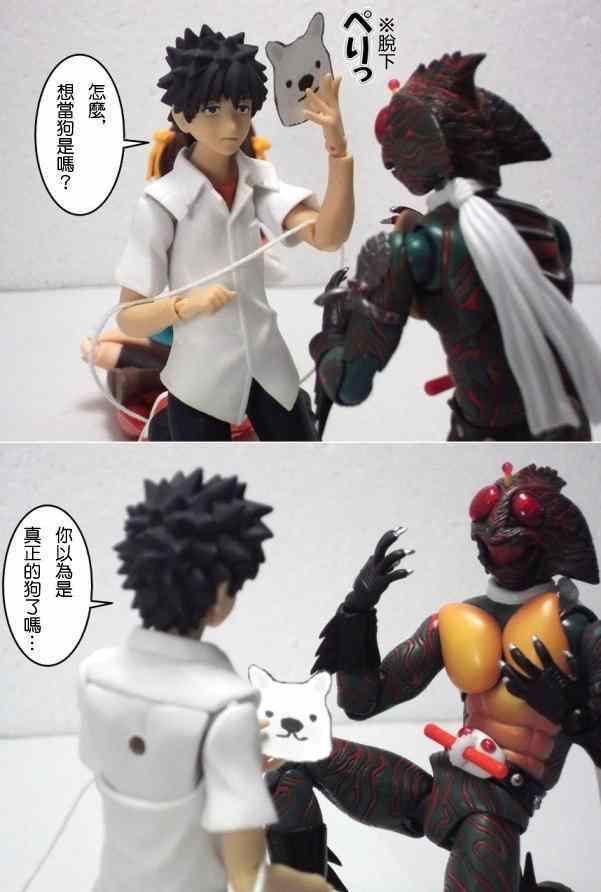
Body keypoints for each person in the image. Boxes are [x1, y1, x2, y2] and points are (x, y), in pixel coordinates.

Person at [268, 463, 601, 890]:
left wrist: (568, 712)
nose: (487, 554)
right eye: (481, 541)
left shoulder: (579, 634)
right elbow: (363, 701)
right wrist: (358, 611)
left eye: (502, 547)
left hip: (496, 810)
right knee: (293, 760)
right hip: (437, 789)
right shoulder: (460, 621)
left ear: (540, 547)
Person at [310, 52, 601, 441]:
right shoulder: (550, 230)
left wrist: (330, 333)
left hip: (486, 438)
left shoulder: (414, 248)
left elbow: (349, 386)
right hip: (569, 428)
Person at [78, 468, 334, 892]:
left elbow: (131, 764)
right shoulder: (226, 709)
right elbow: (247, 877)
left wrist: (233, 754)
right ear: (219, 594)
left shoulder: (93, 676)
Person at [115, 25, 354, 441]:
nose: (231, 123)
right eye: (212, 109)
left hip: (266, 362)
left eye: (242, 107)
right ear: (182, 117)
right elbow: (129, 317)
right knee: (201, 465)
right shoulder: (161, 204)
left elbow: (327, 236)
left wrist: (338, 149)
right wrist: (184, 306)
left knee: (301, 451)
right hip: (199, 374)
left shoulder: (259, 181)